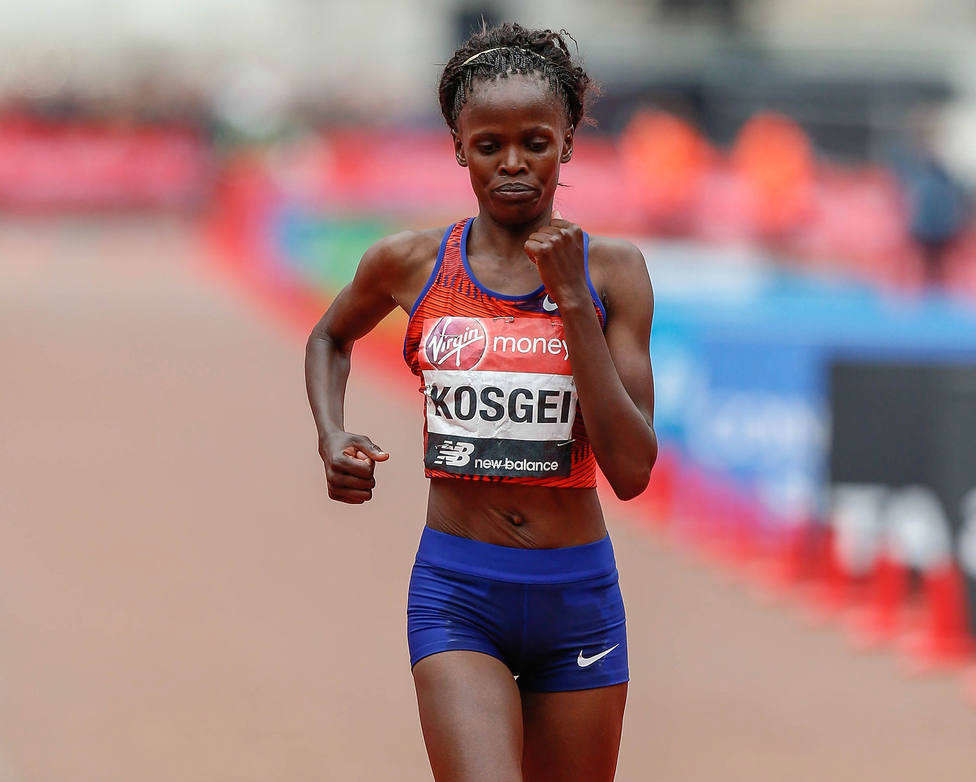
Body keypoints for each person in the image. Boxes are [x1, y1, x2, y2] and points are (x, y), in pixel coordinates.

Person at [305, 22, 657, 782]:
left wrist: (572, 301)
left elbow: (632, 470)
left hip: (577, 596)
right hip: (458, 591)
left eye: (535, 142)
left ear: (567, 145)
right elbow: (331, 336)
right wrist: (332, 433)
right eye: (490, 145)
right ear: (460, 149)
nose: (513, 164)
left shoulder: (614, 273)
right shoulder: (411, 262)